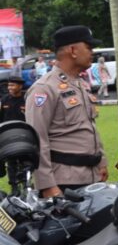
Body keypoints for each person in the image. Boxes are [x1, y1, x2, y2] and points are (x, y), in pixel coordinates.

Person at [25, 25, 107, 197]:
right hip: (64, 182)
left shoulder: (79, 84)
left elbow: (89, 126)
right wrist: (47, 185)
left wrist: (101, 162)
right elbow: (37, 140)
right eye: (89, 47)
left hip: (90, 176)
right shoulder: (45, 88)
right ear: (73, 50)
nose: (92, 52)